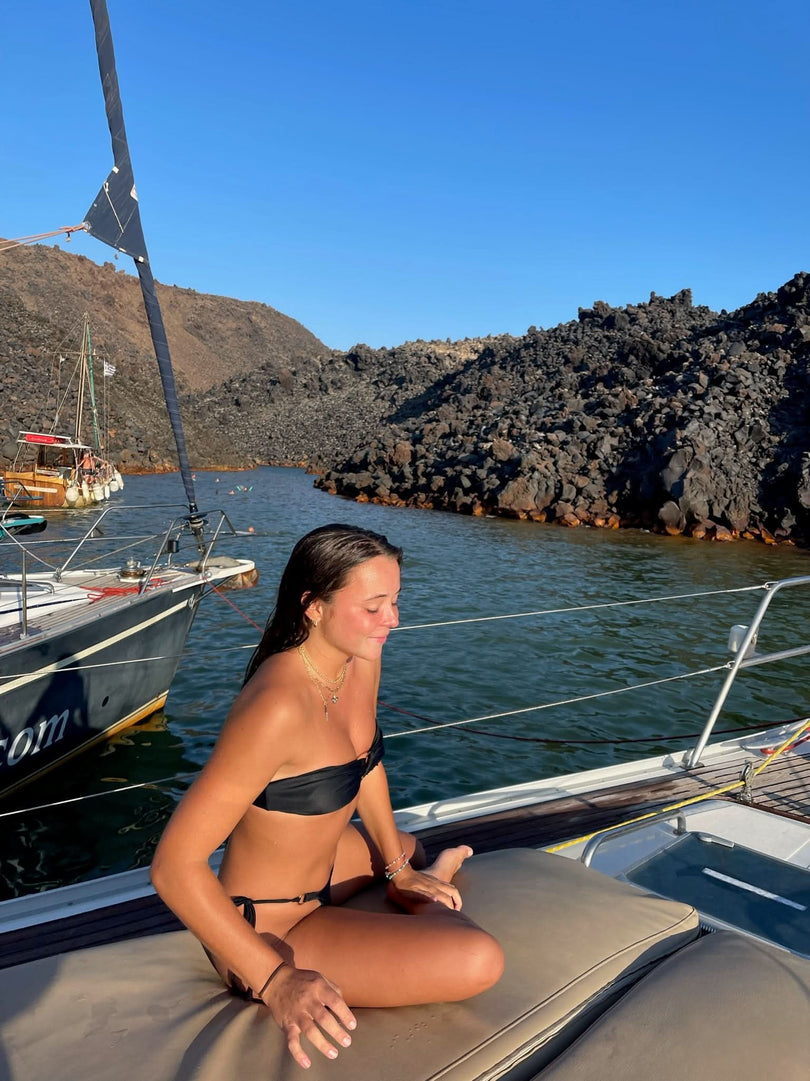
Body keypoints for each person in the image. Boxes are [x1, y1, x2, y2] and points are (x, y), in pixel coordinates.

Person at [151, 523, 503, 1069]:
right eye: (374, 606)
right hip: (270, 924)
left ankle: (411, 882)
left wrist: (397, 868)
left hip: (323, 869)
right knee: (480, 960)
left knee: (405, 846)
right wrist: (276, 981)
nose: (393, 620)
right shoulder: (276, 707)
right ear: (314, 606)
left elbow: (366, 763)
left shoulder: (356, 659)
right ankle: (422, 892)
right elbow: (174, 867)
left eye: (395, 601)